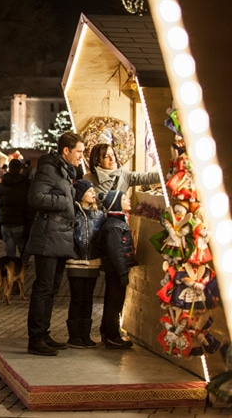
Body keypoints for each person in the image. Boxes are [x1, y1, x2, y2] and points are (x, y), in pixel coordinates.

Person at [25, 131, 85, 356]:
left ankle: (44, 334)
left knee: (51, 289)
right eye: (79, 151)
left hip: (59, 237)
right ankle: (36, 338)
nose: (81, 156)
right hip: (48, 237)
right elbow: (36, 197)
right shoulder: (49, 168)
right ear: (66, 151)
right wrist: (63, 201)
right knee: (43, 288)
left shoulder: (65, 170)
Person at [65, 179, 104, 348]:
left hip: (93, 262)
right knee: (77, 297)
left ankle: (85, 334)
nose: (93, 193)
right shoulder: (73, 213)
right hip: (75, 261)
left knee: (88, 298)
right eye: (89, 191)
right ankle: (74, 336)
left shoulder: (99, 214)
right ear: (80, 195)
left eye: (93, 191)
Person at [98, 190, 136, 349]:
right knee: (114, 303)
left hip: (115, 270)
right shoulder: (115, 226)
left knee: (112, 302)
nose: (129, 201)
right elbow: (116, 252)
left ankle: (108, 333)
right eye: (125, 198)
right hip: (116, 271)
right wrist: (122, 273)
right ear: (116, 203)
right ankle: (112, 335)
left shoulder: (117, 223)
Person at [0, 159, 32, 262]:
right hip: (20, 223)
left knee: (9, 255)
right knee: (24, 252)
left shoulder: (1, 186)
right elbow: (29, 208)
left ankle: (11, 274)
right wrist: (29, 226)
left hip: (5, 224)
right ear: (20, 170)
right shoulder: (26, 186)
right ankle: (21, 272)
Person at [84, 143, 161, 195]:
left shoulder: (123, 175)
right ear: (97, 161)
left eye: (113, 155)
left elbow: (146, 177)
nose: (112, 159)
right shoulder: (88, 179)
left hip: (118, 218)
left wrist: (165, 175)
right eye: (106, 156)